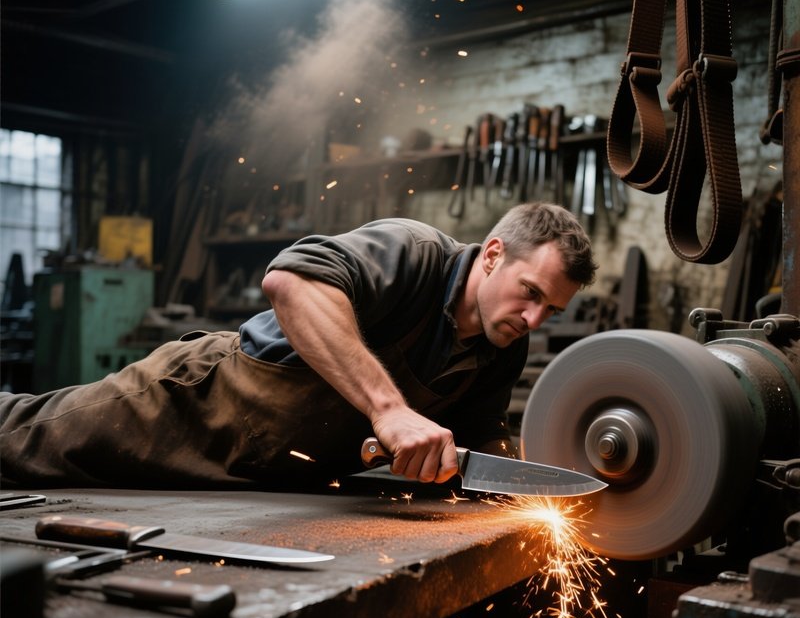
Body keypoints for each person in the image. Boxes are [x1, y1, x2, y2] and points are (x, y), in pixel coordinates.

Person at [0, 202, 596, 489]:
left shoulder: (502, 347)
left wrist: (519, 487)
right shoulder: (413, 252)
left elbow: (476, 442)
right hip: (196, 404)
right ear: (492, 256)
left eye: (552, 310)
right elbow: (291, 280)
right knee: (27, 442)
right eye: (530, 293)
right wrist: (389, 410)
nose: (535, 318)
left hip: (265, 478)